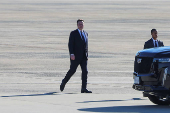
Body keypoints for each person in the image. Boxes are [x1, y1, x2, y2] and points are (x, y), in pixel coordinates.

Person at [60, 19, 92, 93]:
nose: (81, 25)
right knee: (72, 70)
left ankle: (83, 88)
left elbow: (86, 45)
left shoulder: (86, 33)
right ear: (77, 25)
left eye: (82, 24)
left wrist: (87, 55)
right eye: (79, 24)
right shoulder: (73, 33)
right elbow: (70, 44)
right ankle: (64, 82)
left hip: (84, 56)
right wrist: (71, 54)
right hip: (75, 56)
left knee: (85, 71)